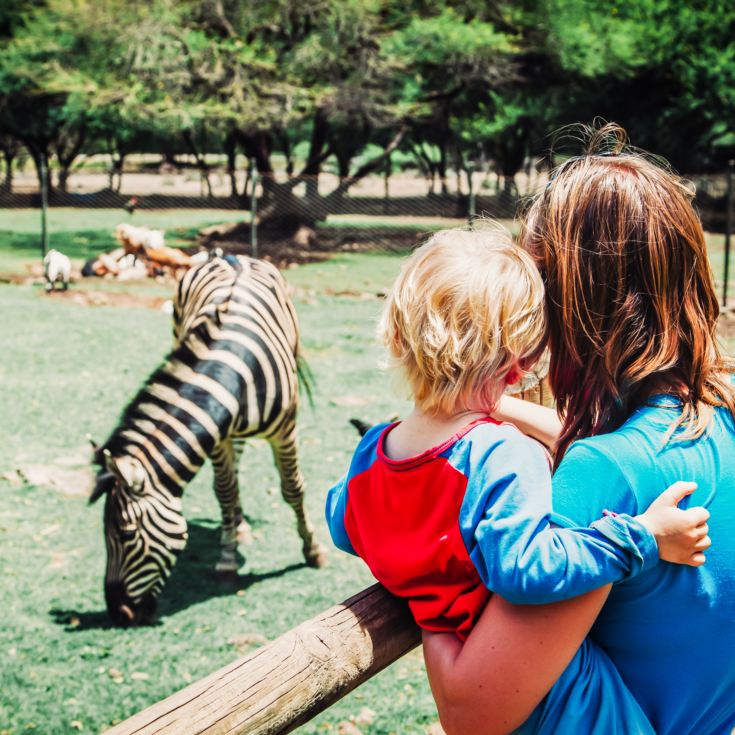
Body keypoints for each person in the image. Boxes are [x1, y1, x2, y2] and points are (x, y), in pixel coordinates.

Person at [422, 125, 735, 735]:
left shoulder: (606, 470)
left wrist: (421, 592)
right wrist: (481, 404)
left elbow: (474, 711)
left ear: (573, 299)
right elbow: (594, 437)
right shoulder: (717, 414)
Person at [324, 228, 708, 648]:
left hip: (467, 662)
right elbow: (527, 569)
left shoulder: (375, 446)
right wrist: (643, 539)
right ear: (518, 366)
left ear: (397, 335)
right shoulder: (502, 453)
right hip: (526, 671)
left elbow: (342, 527)